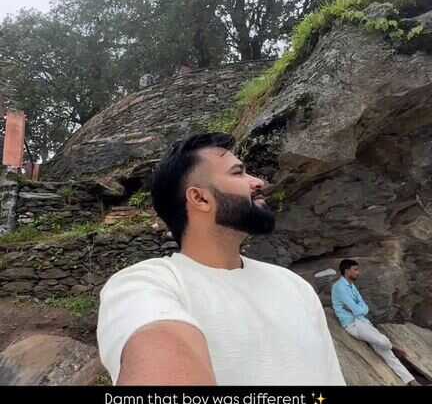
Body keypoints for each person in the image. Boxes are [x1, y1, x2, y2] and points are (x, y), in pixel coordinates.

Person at [97, 132, 345, 386]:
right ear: (200, 198)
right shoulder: (145, 284)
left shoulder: (294, 285)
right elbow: (158, 347)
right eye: (238, 173)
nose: (258, 182)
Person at [331, 259, 418, 385]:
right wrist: (358, 308)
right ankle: (392, 346)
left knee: (387, 354)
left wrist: (359, 309)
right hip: (352, 325)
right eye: (355, 270)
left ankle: (411, 380)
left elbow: (364, 308)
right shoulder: (339, 287)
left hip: (362, 321)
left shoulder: (352, 286)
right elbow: (357, 309)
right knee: (382, 342)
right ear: (347, 271)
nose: (358, 272)